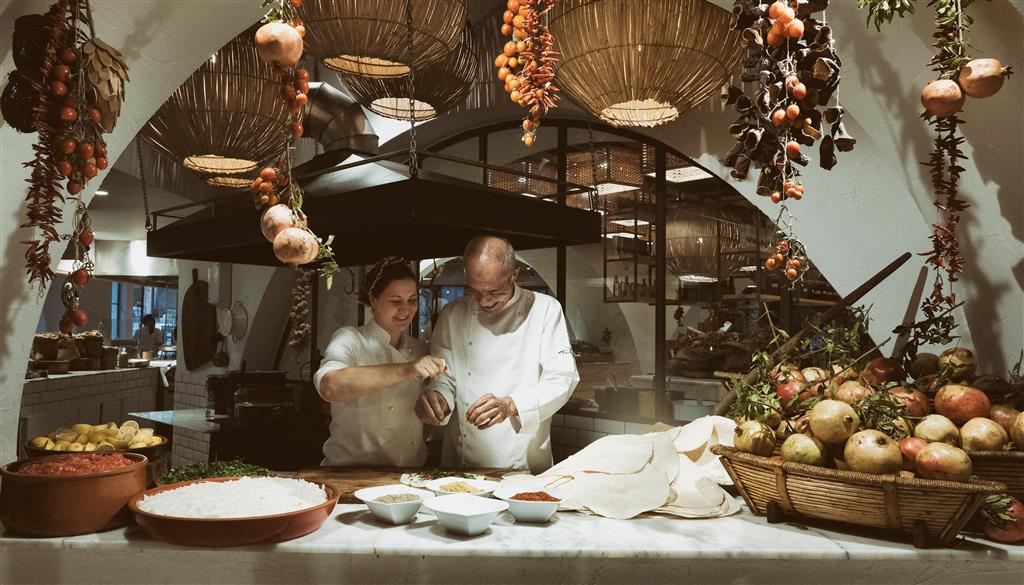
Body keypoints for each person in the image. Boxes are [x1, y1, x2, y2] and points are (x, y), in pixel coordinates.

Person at [416, 235, 579, 473]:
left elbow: (563, 378)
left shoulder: (544, 309)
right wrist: (438, 398)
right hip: (460, 466)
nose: (484, 301)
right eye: (474, 290)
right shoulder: (453, 314)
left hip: (521, 463)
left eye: (495, 291)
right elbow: (445, 378)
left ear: (514, 274)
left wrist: (512, 405)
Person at [314, 257, 447, 467]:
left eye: (412, 300)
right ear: (373, 299)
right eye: (396, 301)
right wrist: (406, 369)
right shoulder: (350, 338)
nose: (405, 309)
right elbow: (329, 386)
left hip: (408, 474)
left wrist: (438, 406)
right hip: (349, 473)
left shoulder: (420, 350)